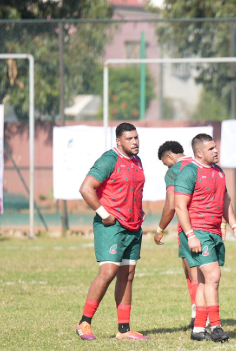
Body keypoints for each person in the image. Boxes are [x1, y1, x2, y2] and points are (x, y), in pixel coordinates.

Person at [75, 122, 150, 341]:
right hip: (111, 225)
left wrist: (138, 211)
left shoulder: (137, 161)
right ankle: (84, 322)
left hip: (133, 226)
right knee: (108, 273)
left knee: (127, 276)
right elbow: (86, 188)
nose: (135, 142)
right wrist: (103, 213)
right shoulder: (109, 159)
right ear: (118, 141)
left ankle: (124, 330)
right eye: (130, 139)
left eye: (136, 137)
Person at [174, 133, 236, 342]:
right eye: (211, 149)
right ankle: (216, 327)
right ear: (198, 153)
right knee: (213, 276)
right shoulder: (189, 172)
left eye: (216, 147)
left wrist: (235, 227)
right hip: (197, 231)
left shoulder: (218, 172)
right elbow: (179, 206)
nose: (216, 151)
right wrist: (190, 235)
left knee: (204, 281)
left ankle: (198, 329)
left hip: (213, 231)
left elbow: (225, 200)